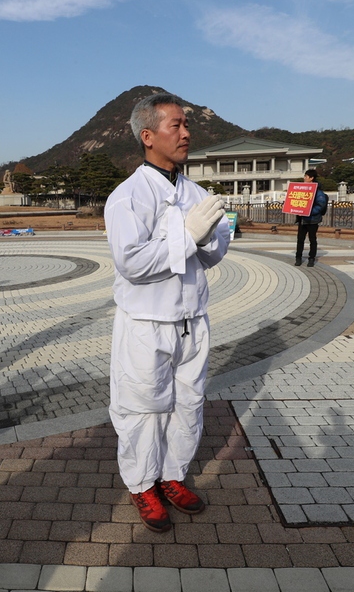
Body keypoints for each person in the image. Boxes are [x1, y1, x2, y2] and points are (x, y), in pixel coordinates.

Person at [105, 93, 230, 533]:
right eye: (175, 125)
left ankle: (172, 476)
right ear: (148, 135)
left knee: (188, 404)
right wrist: (188, 237)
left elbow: (214, 254)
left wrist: (211, 235)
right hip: (147, 325)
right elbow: (132, 263)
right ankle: (142, 484)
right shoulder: (128, 197)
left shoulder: (195, 193)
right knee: (143, 408)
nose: (186, 133)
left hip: (192, 320)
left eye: (185, 125)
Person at [294, 169, 328, 267]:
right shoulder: (302, 189)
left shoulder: (318, 192)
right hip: (302, 219)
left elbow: (320, 205)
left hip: (313, 219)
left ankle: (311, 258)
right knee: (300, 239)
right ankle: (298, 258)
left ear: (311, 178)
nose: (304, 178)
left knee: (312, 239)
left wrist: (308, 211)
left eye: (306, 176)